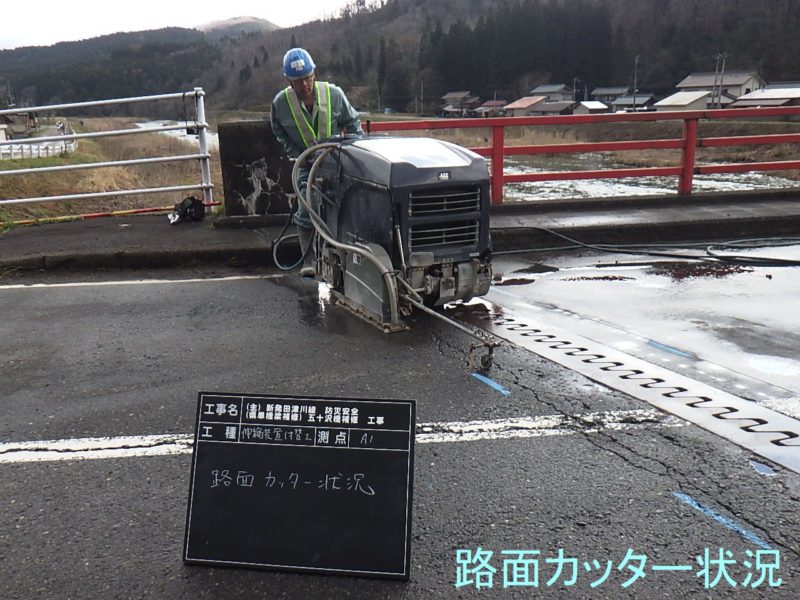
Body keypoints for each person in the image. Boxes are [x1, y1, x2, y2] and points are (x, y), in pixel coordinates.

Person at [270, 47, 362, 277]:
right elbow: (277, 129)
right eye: (299, 81)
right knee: (305, 209)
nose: (305, 85)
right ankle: (308, 260)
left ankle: (346, 260)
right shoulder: (281, 104)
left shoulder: (334, 94)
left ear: (314, 74)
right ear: (289, 81)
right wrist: (295, 152)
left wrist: (351, 151)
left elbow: (353, 124)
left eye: (308, 78)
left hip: (336, 164)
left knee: (344, 209)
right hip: (307, 165)